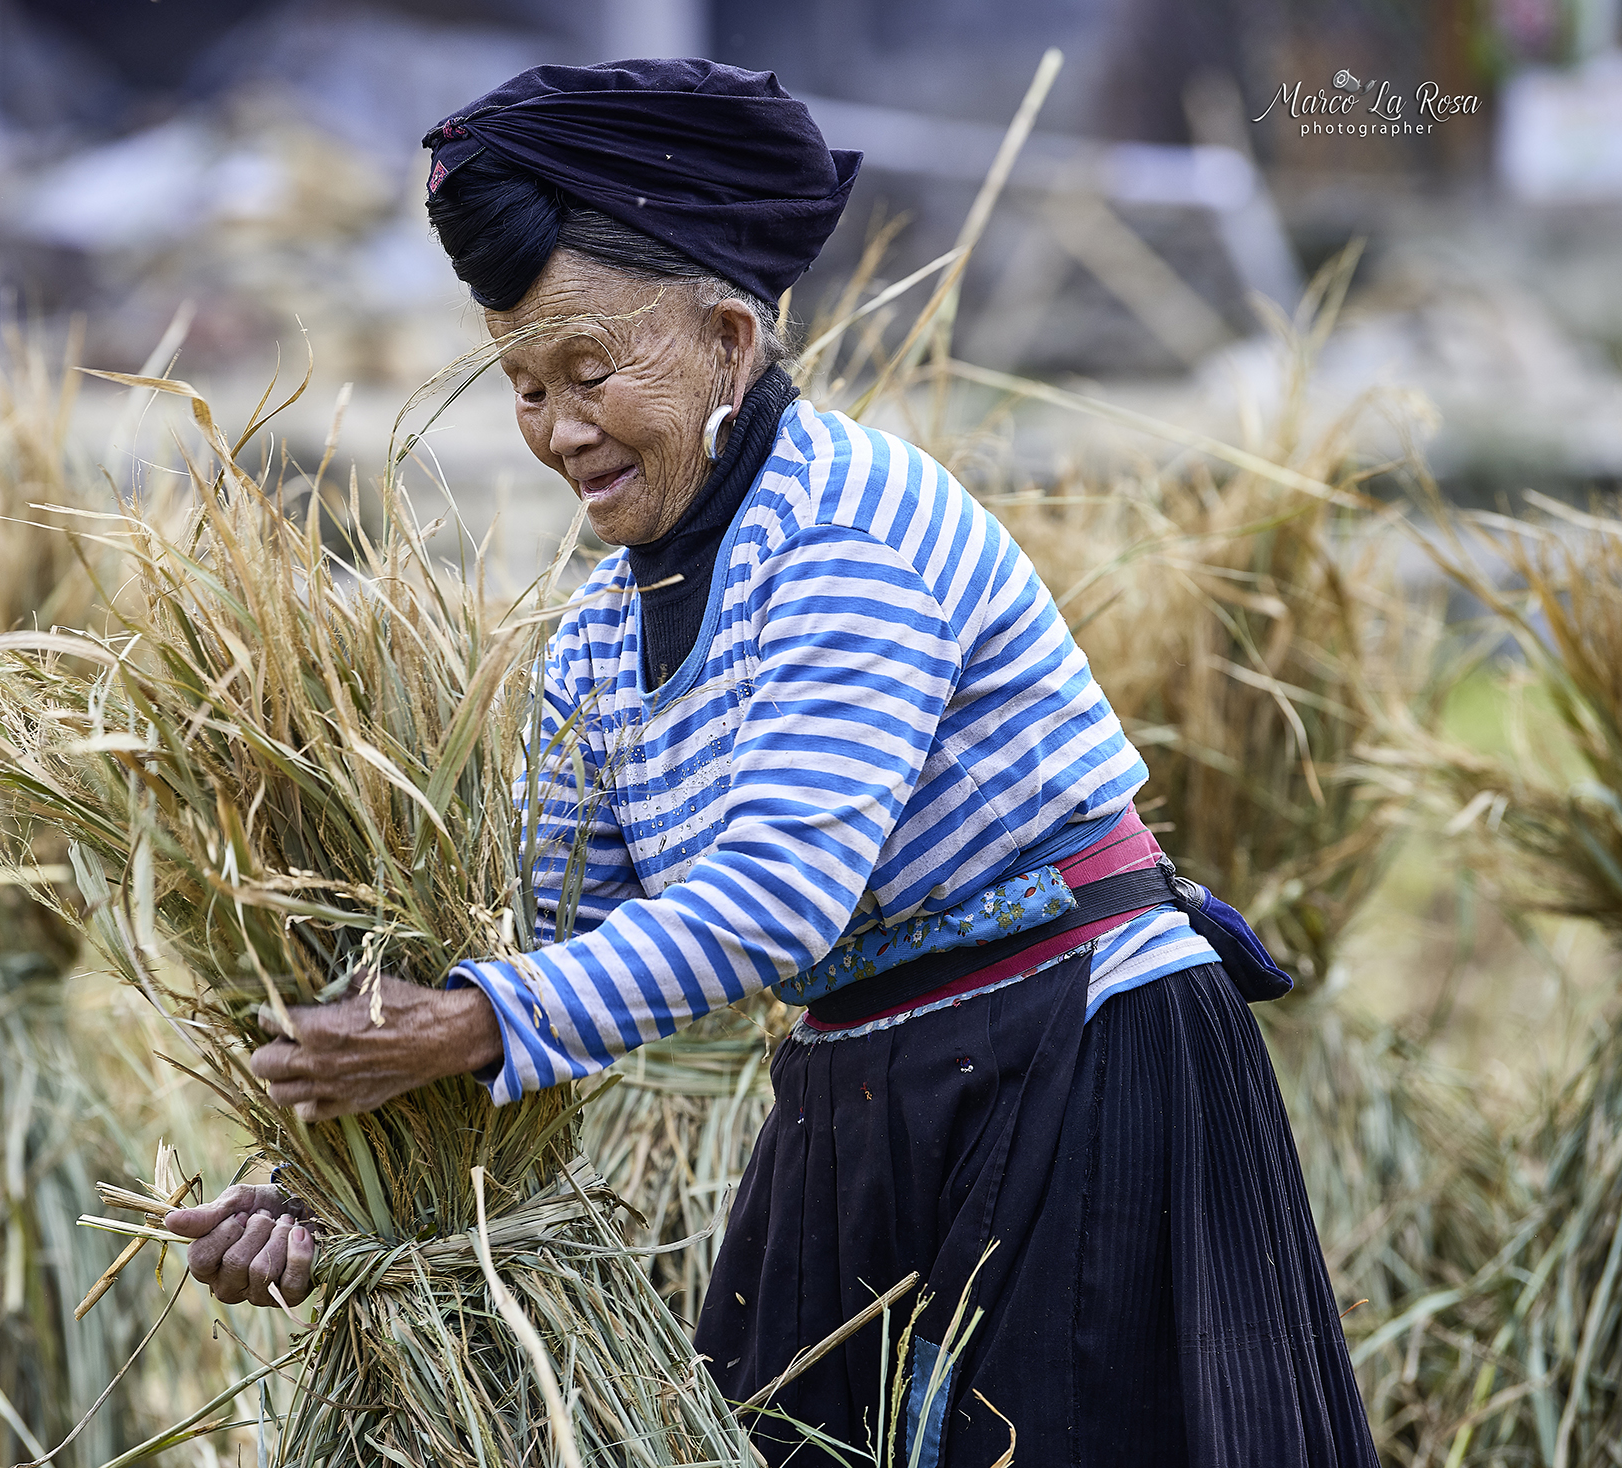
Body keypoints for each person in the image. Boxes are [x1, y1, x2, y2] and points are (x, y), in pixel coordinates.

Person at [164, 59, 1380, 1468]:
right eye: (520, 386)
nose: (558, 431)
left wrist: (467, 1023)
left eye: (590, 373)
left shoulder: (845, 529)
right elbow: (543, 956)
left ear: (731, 339)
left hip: (1078, 1061)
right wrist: (330, 1178)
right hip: (866, 1085)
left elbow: (774, 897)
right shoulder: (597, 648)